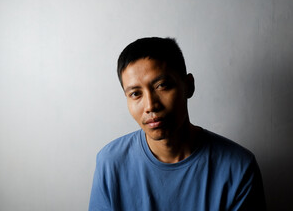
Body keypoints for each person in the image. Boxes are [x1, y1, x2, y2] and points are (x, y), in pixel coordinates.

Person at [89, 37, 266, 211]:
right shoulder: (110, 163)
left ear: (188, 86)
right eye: (136, 94)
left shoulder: (238, 167)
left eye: (162, 85)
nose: (150, 106)